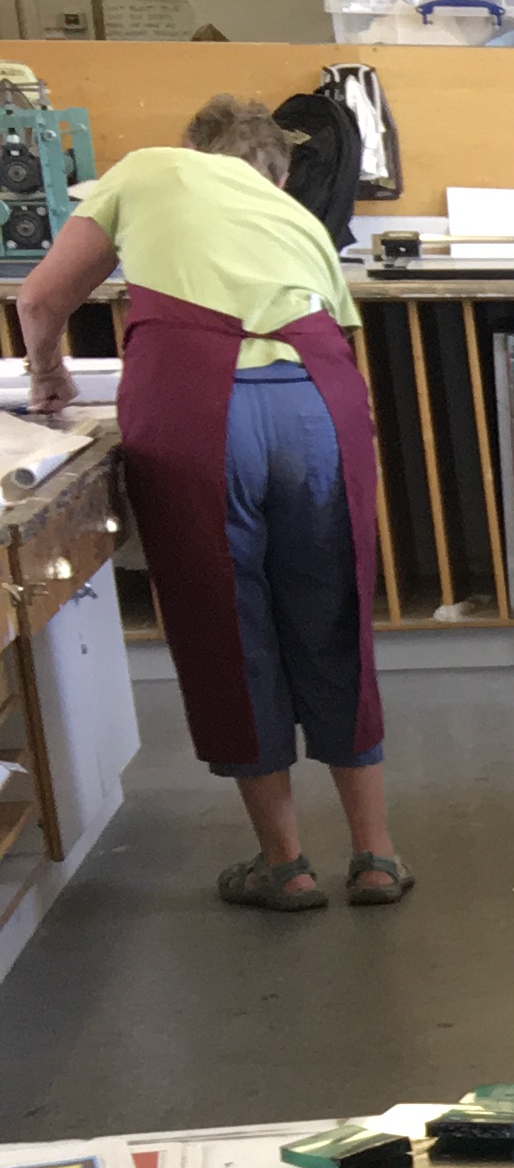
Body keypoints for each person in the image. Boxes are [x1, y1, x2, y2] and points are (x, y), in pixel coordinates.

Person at [15, 95, 404, 910]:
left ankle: (285, 864)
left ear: (194, 147)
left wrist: (48, 373)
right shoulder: (295, 214)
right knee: (332, 613)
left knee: (224, 621)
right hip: (317, 406)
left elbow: (44, 299)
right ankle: (375, 856)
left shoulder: (147, 168)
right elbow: (340, 331)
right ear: (278, 168)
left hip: (203, 413)